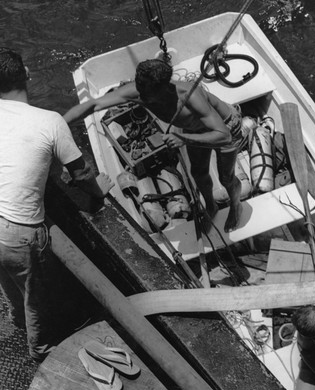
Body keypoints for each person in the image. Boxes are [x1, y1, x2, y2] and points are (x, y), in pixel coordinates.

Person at [0, 47, 114, 361]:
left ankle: (15, 319)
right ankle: (41, 352)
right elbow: (80, 174)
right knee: (37, 297)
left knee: (6, 278)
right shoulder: (49, 121)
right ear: (27, 76)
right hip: (18, 231)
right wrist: (98, 191)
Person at [64, 58, 245, 233]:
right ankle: (211, 207)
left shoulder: (190, 96)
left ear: (165, 88)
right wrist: (59, 123)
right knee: (199, 173)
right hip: (194, 131)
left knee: (226, 179)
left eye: (147, 94)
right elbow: (94, 104)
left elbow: (224, 136)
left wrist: (184, 139)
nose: (141, 97)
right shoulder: (141, 90)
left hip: (225, 127)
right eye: (140, 90)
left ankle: (236, 206)